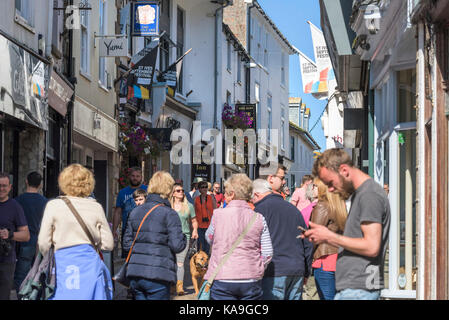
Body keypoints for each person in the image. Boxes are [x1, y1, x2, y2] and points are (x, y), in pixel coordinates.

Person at [303, 148, 391, 300]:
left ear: (344, 170)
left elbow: (371, 246)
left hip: (359, 289)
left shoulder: (368, 195)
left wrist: (330, 237)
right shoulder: (362, 194)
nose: (330, 189)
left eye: (330, 183)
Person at [37, 164, 114, 300]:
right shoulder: (95, 207)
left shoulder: (53, 205)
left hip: (61, 264)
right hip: (89, 264)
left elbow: (43, 243)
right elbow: (108, 244)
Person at [204, 174, 273, 300]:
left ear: (232, 194)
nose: (223, 195)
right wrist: (258, 266)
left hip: (222, 277)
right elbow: (268, 253)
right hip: (251, 278)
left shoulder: (218, 215)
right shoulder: (258, 218)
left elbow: (209, 237)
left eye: (225, 192)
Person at [123, 171, 186, 300]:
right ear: (169, 190)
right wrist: (184, 237)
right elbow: (177, 245)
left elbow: (126, 244)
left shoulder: (135, 212)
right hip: (158, 273)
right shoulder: (169, 214)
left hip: (136, 273)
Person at [254, 164, 313, 300]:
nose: (285, 181)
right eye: (282, 178)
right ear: (270, 179)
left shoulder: (260, 210)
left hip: (274, 272)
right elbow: (307, 243)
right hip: (294, 270)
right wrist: (305, 271)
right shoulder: (294, 210)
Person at [309, 177, 348, 300]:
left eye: (315, 186)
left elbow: (314, 235)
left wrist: (306, 256)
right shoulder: (339, 205)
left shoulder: (322, 205)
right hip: (338, 258)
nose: (312, 188)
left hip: (324, 259)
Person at [13, 172, 48, 291]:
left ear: (26, 181)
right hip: (40, 242)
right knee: (38, 275)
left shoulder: (17, 201)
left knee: (20, 275)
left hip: (23, 242)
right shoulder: (45, 202)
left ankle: (21, 295)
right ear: (40, 185)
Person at [0, 173, 30, 300]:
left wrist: (10, 234)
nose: (1, 188)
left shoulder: (15, 207)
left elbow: (26, 235)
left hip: (5, 262)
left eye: (4, 186)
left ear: (10, 187)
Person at [112, 167, 148, 258]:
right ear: (129, 177)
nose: (135, 178)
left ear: (141, 177)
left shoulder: (147, 190)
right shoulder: (122, 193)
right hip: (127, 229)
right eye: (133, 176)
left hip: (144, 228)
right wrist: (114, 230)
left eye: (137, 176)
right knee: (127, 257)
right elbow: (118, 212)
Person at [170, 182, 198, 296]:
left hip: (184, 237)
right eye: (178, 190)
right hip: (170, 237)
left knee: (180, 263)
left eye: (182, 190)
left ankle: (179, 287)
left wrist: (195, 230)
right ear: (173, 193)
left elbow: (194, 221)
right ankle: (171, 285)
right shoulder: (168, 206)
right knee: (171, 262)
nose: (181, 192)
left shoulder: (189, 206)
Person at [194, 180, 216, 255]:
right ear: (199, 189)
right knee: (200, 246)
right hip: (199, 226)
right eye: (202, 187)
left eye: (206, 187)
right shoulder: (196, 199)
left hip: (209, 225)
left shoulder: (211, 198)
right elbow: (194, 213)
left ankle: (206, 262)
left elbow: (215, 211)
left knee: (207, 246)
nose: (205, 189)